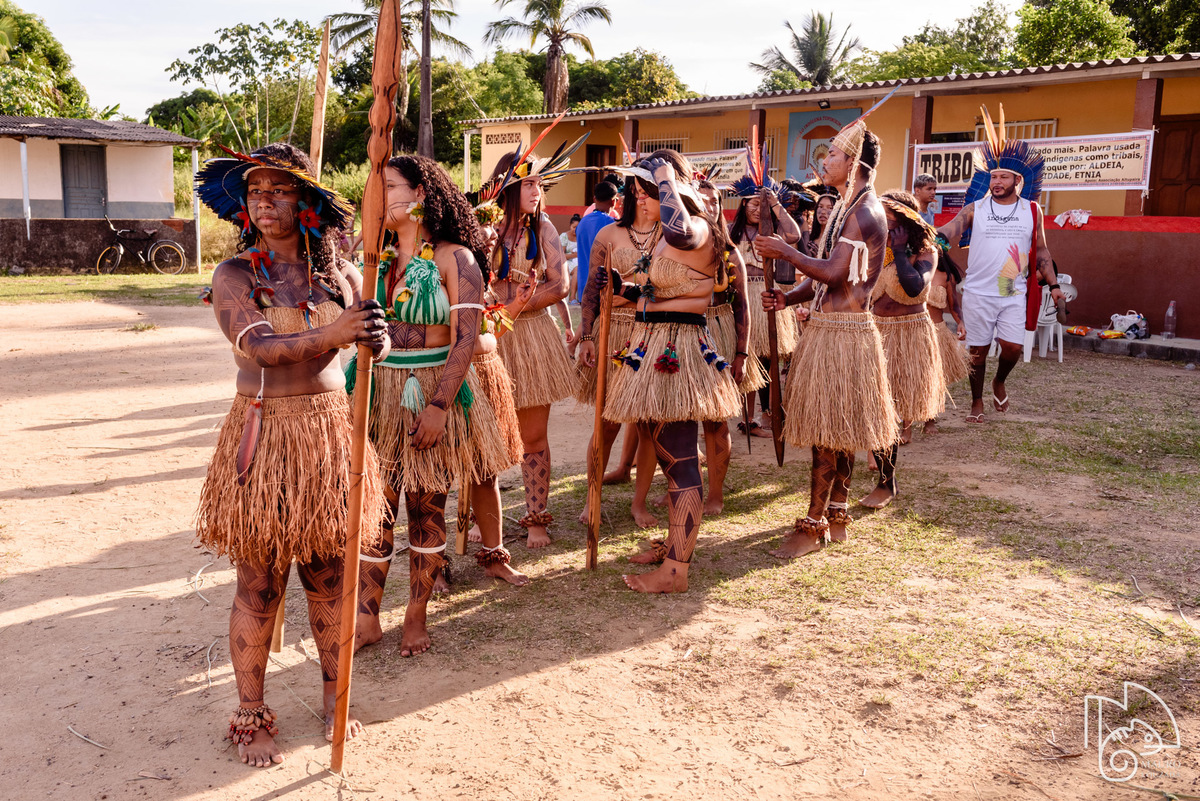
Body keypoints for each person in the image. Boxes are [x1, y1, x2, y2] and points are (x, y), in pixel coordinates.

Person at [193, 142, 389, 767]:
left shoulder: (340, 275)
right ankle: (250, 713)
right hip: (263, 433)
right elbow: (257, 347)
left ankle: (337, 697)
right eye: (256, 191)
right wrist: (334, 331)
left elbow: (361, 349)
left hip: (327, 435)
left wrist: (373, 340)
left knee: (331, 575)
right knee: (260, 577)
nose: (265, 201)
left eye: (279, 189)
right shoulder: (235, 277)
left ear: (305, 200)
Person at [352, 155, 516, 658]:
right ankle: (366, 618)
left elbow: (467, 338)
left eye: (390, 187)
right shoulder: (373, 259)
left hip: (432, 390)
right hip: (380, 391)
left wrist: (441, 404)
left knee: (426, 509)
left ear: (420, 193)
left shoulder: (455, 258)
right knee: (374, 513)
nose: (379, 199)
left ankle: (416, 616)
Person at [755, 119, 897, 558]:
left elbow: (836, 273)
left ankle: (814, 524)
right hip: (833, 332)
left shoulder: (864, 211)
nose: (825, 160)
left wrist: (785, 252)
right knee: (839, 426)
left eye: (832, 154)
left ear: (853, 163)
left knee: (830, 429)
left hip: (846, 337)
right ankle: (837, 512)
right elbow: (822, 279)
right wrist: (787, 295)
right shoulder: (842, 206)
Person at [603, 150, 742, 593]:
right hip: (657, 344)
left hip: (677, 352)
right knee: (668, 457)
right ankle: (674, 546)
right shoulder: (668, 233)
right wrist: (629, 290)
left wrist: (664, 173)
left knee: (680, 459)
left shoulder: (695, 226)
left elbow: (684, 241)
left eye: (651, 188)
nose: (644, 197)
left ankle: (676, 571)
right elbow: (670, 286)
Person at [936, 108, 1062, 423]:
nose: (997, 181)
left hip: (1012, 289)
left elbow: (1042, 251)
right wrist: (937, 236)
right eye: (993, 176)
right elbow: (954, 226)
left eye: (1003, 176)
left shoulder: (1033, 211)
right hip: (978, 291)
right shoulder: (975, 208)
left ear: (1018, 180)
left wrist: (1056, 285)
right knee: (976, 352)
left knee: (1012, 347)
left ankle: (1000, 380)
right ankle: (977, 402)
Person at [487, 145, 577, 548]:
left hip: (534, 337)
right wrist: (504, 305)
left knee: (533, 435)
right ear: (507, 185)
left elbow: (561, 285)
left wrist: (519, 304)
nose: (537, 190)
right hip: (491, 334)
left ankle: (536, 517)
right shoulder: (483, 229)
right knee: (484, 433)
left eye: (540, 183)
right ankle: (483, 518)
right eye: (529, 183)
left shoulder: (543, 231)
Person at [576, 169, 663, 528]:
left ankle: (639, 503)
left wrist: (632, 296)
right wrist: (585, 335)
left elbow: (672, 289)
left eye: (647, 192)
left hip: (653, 332)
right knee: (607, 423)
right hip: (611, 332)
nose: (640, 198)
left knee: (649, 425)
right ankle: (591, 498)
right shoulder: (607, 234)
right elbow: (591, 291)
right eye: (636, 192)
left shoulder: (670, 236)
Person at [860, 190, 944, 508]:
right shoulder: (874, 252)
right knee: (879, 405)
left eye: (890, 219)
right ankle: (880, 471)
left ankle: (886, 483)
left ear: (907, 222)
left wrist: (897, 249)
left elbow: (914, 286)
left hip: (908, 338)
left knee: (892, 408)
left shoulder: (925, 253)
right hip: (876, 334)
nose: (883, 223)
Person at [697, 177, 757, 515]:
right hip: (681, 335)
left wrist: (741, 353)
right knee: (678, 419)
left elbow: (743, 306)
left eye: (714, 202)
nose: (708, 207)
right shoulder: (674, 246)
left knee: (715, 420)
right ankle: (685, 485)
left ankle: (715, 494)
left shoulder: (729, 252)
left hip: (718, 334)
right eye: (701, 200)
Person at [727, 175, 803, 437]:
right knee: (745, 355)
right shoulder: (730, 231)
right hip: (740, 294)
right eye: (752, 204)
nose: (757, 209)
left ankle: (769, 414)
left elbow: (794, 235)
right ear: (743, 204)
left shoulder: (771, 232)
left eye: (762, 205)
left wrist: (776, 204)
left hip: (766, 294)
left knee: (769, 358)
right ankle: (748, 420)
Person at [575, 181, 618, 305]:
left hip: (584, 286)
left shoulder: (582, 223)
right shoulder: (613, 224)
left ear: (594, 199)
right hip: (603, 286)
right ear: (614, 201)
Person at [562, 213, 581, 302]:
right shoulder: (564, 236)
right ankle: (572, 297)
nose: (575, 230)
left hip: (579, 262)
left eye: (578, 227)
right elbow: (561, 255)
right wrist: (575, 255)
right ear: (570, 226)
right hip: (566, 262)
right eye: (574, 227)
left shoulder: (581, 237)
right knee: (577, 269)